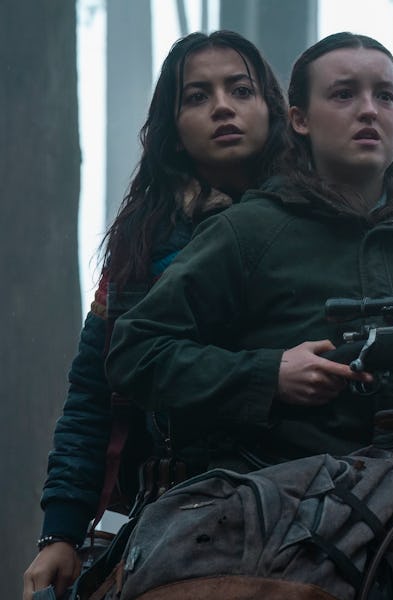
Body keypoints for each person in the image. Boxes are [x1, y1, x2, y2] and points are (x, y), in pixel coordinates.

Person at [106, 30, 393, 483]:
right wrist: (268, 375)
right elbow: (136, 351)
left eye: (385, 96)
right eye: (344, 94)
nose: (368, 110)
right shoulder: (246, 232)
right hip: (273, 515)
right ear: (299, 119)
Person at [22, 30, 289, 600]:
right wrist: (60, 532)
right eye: (197, 96)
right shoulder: (140, 248)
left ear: (271, 106)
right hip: (158, 509)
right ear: (174, 130)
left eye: (240, 89)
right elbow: (93, 392)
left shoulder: (311, 228)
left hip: (296, 503)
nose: (222, 106)